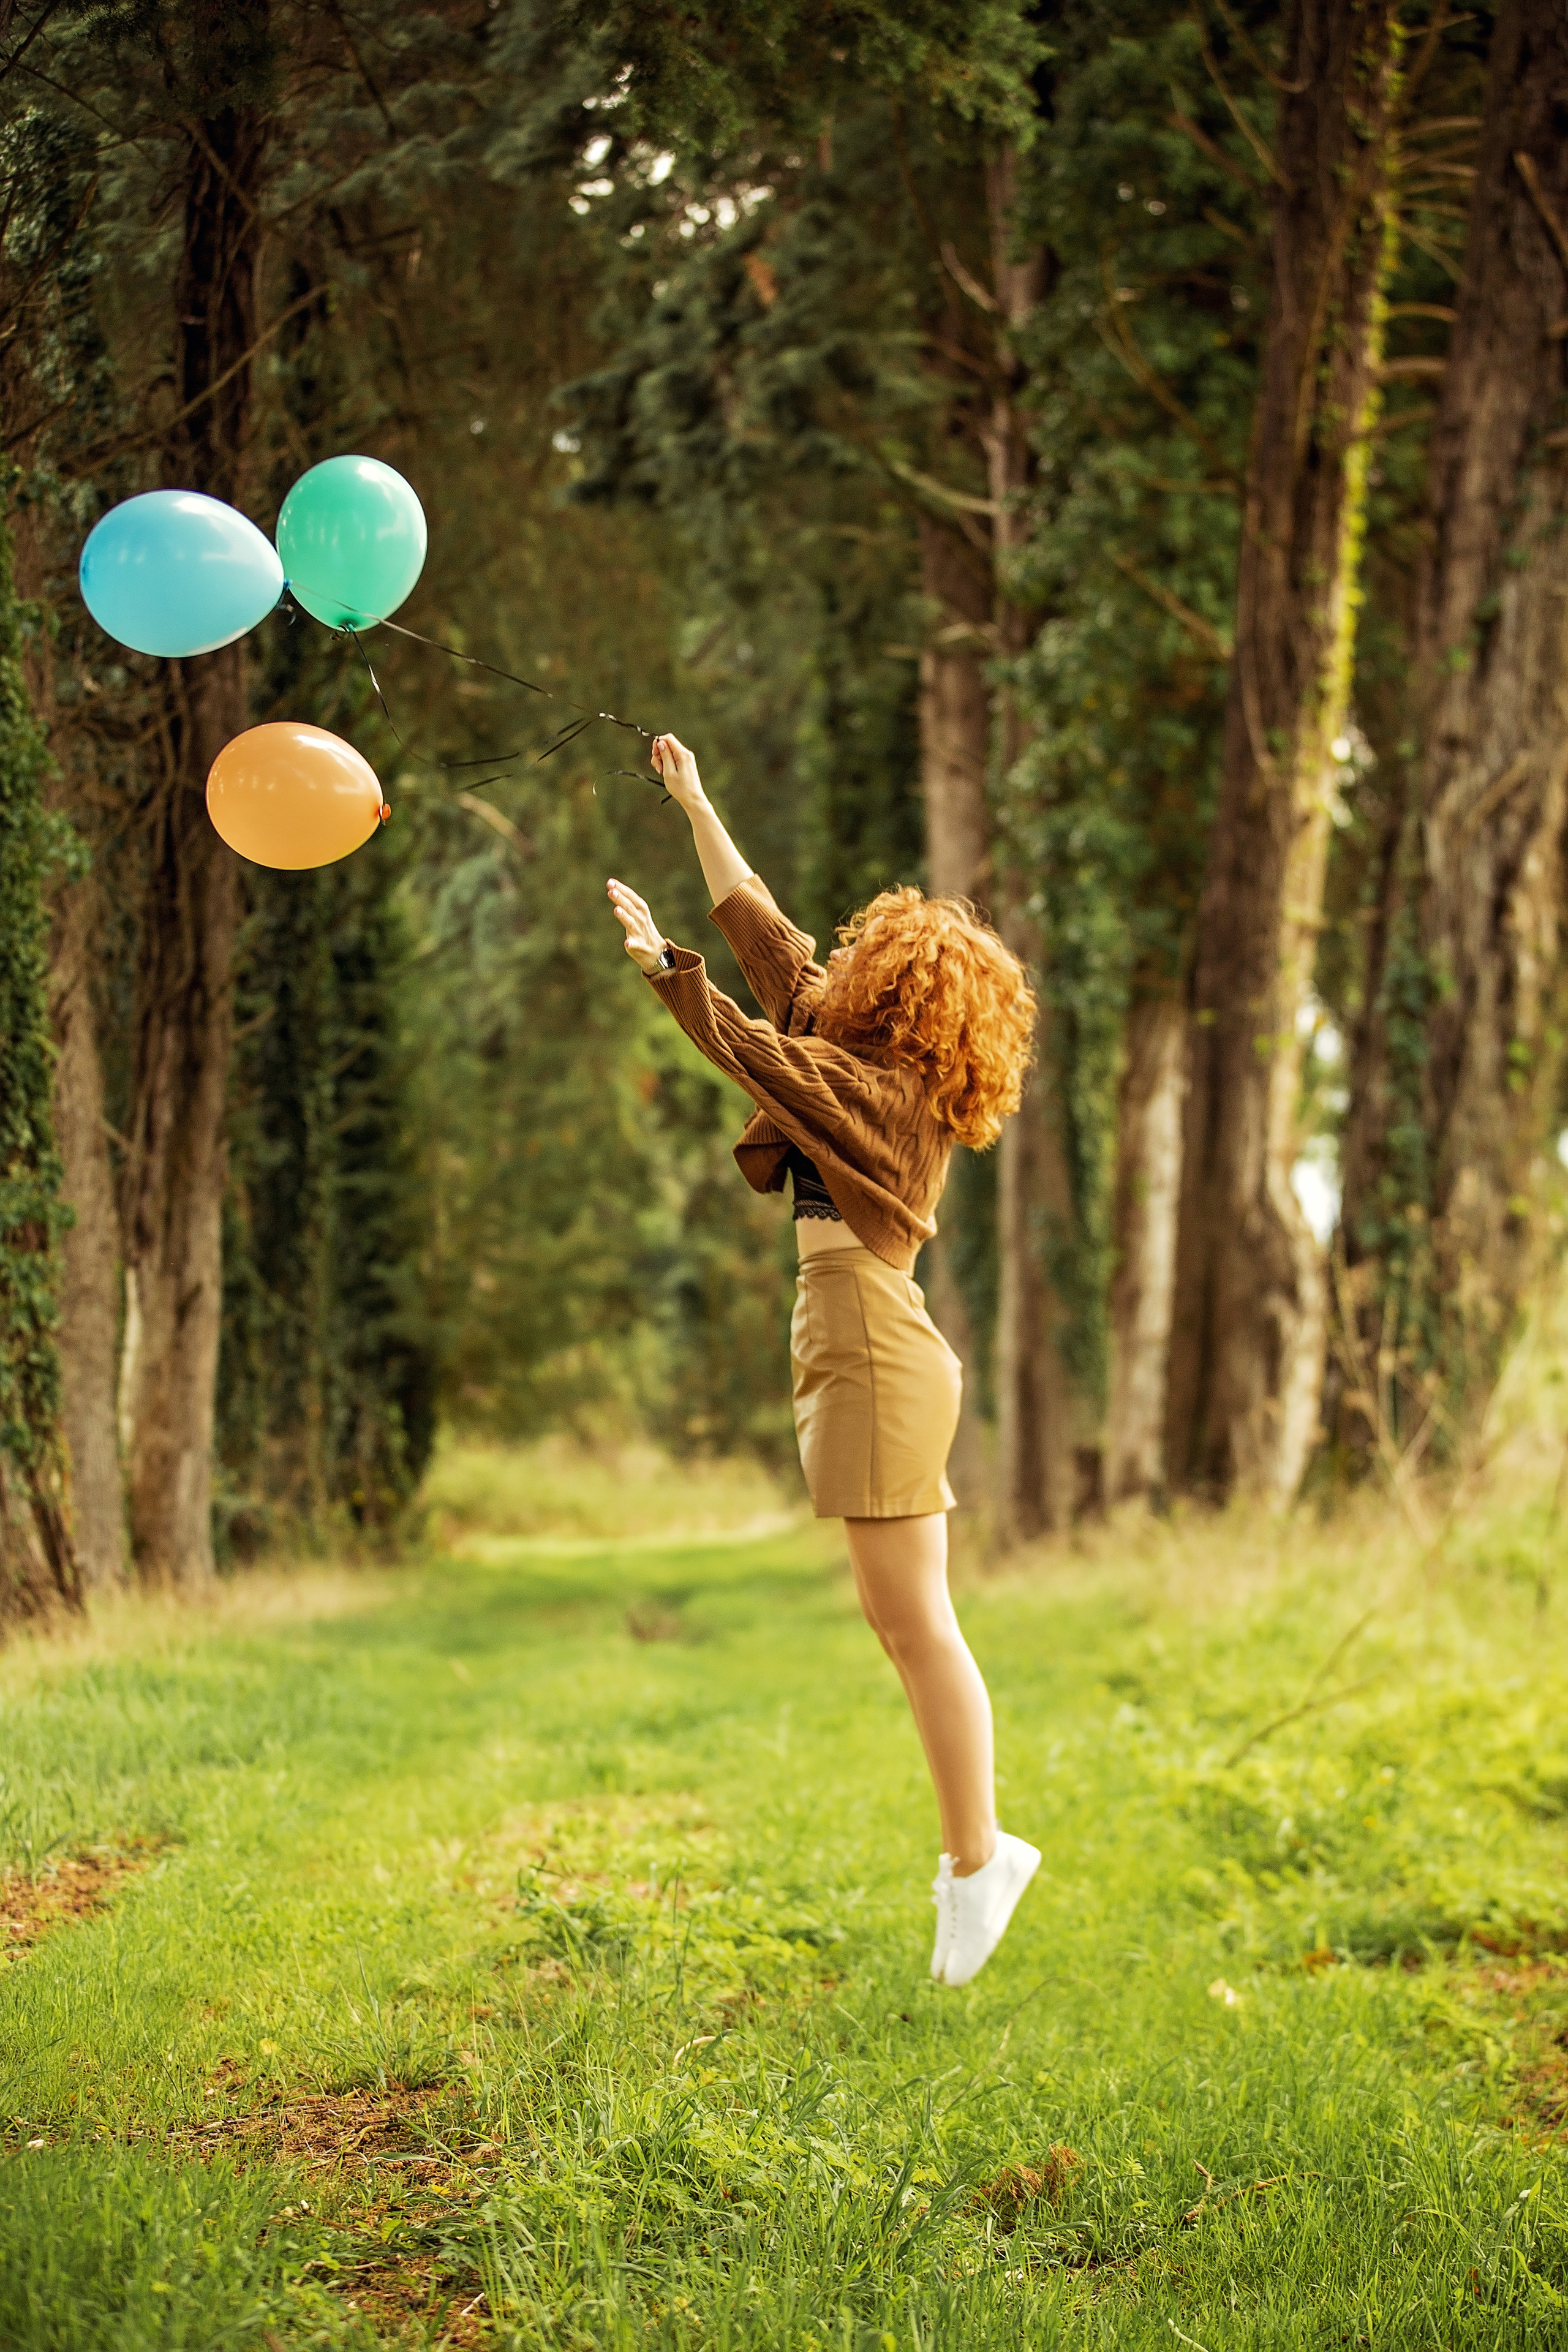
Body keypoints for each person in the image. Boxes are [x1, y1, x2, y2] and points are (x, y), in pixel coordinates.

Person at [607, 733, 1040, 1989]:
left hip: (867, 1337)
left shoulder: (881, 1100)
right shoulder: (865, 1058)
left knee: (915, 1622)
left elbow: (759, 1048)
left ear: (900, 999)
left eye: (864, 960)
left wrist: (664, 975)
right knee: (898, 1618)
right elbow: (771, 943)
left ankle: (978, 1860)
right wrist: (698, 803)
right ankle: (975, 1856)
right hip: (854, 1329)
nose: (838, 960)